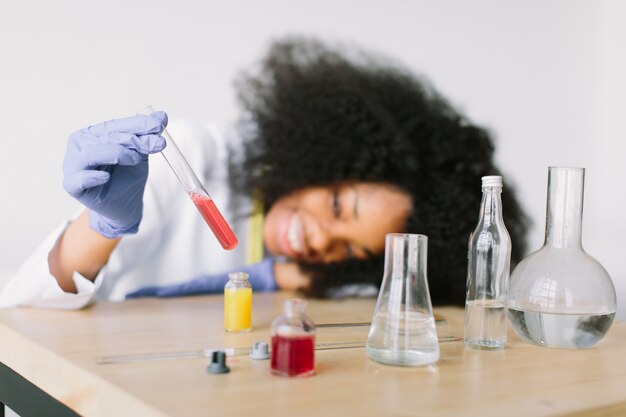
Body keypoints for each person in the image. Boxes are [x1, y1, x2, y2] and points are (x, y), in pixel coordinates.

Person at [0, 37, 527, 310]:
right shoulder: (191, 155)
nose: (320, 238)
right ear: (325, 154)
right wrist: (101, 227)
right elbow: (22, 315)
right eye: (339, 207)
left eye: (348, 250)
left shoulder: (322, 277)